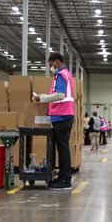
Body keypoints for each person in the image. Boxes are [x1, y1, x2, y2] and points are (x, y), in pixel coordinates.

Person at [32, 53, 76, 190]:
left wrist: (41, 97)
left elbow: (60, 95)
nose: (51, 67)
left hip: (62, 115)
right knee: (62, 147)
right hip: (64, 115)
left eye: (51, 64)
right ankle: (63, 176)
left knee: (62, 148)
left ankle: (65, 179)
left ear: (57, 62)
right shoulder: (67, 74)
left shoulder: (60, 75)